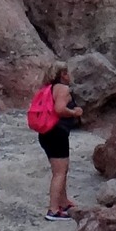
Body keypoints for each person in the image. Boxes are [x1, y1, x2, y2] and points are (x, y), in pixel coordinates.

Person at [36, 64, 83, 219]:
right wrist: (74, 112)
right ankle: (53, 209)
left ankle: (63, 201)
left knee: (60, 170)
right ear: (63, 74)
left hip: (45, 133)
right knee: (60, 172)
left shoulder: (48, 88)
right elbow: (59, 109)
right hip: (57, 133)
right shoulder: (62, 89)